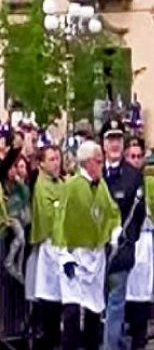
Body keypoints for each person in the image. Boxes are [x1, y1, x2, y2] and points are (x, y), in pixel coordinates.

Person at [54, 140, 121, 350]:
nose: (102, 165)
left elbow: (113, 212)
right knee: (72, 312)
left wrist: (114, 233)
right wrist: (64, 256)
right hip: (76, 256)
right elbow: (59, 221)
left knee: (94, 311)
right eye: (99, 161)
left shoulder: (101, 185)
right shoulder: (71, 186)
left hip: (96, 256)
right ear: (89, 163)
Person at [101, 119, 146, 350]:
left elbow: (139, 215)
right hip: (97, 250)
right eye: (110, 138)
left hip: (121, 249)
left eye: (118, 138)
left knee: (116, 302)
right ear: (103, 143)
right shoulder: (95, 172)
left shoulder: (133, 175)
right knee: (97, 303)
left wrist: (128, 242)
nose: (115, 143)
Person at [124, 139, 154, 350]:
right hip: (128, 240)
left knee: (143, 291)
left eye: (139, 157)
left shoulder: (151, 182)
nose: (136, 161)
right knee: (126, 290)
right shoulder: (120, 180)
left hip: (146, 239)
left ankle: (139, 338)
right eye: (132, 156)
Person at [29, 145, 66, 349]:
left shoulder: (62, 182)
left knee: (62, 296)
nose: (56, 162)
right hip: (50, 244)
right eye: (51, 159)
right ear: (42, 163)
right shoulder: (41, 186)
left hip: (65, 245)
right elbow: (50, 214)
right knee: (49, 296)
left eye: (57, 158)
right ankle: (49, 338)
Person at [1, 148, 29, 283]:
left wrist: (20, 182)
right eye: (10, 168)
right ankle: (10, 261)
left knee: (22, 242)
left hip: (18, 217)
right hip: (10, 219)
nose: (13, 171)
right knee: (21, 238)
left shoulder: (17, 185)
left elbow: (26, 196)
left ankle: (18, 267)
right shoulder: (4, 185)